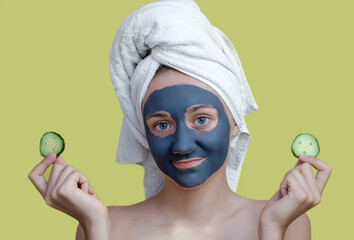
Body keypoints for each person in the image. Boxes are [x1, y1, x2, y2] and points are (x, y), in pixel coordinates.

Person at [28, 1, 332, 239]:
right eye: (162, 125)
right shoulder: (103, 224)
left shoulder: (286, 220)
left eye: (201, 119)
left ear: (235, 122)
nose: (183, 145)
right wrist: (94, 227)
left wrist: (271, 230)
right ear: (143, 134)